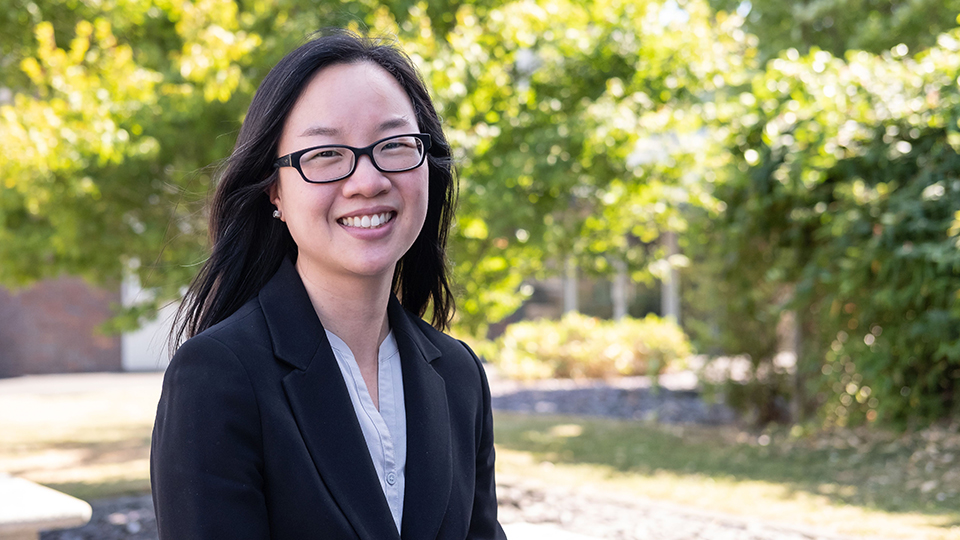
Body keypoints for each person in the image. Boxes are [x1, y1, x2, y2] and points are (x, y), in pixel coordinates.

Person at [150, 30, 507, 540]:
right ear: (274, 188)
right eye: (325, 154)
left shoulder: (458, 375)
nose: (367, 181)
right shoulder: (217, 377)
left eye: (394, 144)